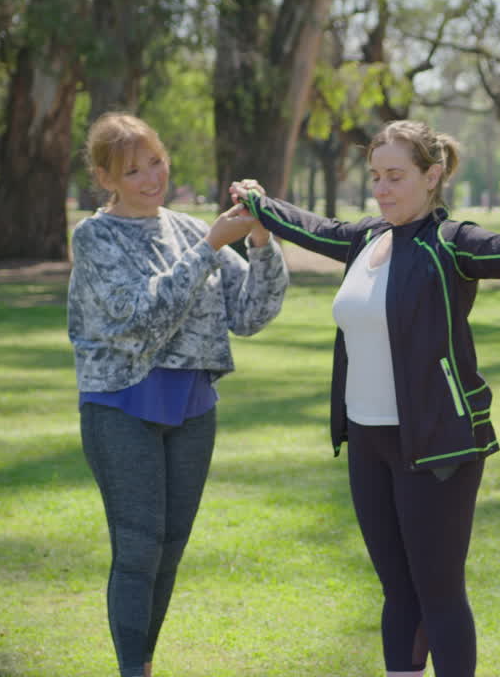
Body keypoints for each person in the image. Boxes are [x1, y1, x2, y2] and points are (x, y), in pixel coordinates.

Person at [230, 119, 500, 677]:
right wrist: (258, 201)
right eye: (376, 176)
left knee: (439, 595)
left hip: (436, 443)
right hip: (366, 441)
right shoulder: (363, 239)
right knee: (398, 593)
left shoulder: (451, 245)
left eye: (396, 176)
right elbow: (308, 226)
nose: (381, 189)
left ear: (433, 176)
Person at [68, 112, 289, 677]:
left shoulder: (191, 229)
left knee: (168, 550)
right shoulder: (96, 237)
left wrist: (260, 238)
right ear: (105, 177)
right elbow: (138, 318)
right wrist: (213, 244)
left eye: (156, 162)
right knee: (139, 548)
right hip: (121, 408)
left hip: (193, 410)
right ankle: (132, 670)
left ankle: (142, 663)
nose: (150, 178)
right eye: (133, 170)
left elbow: (252, 313)